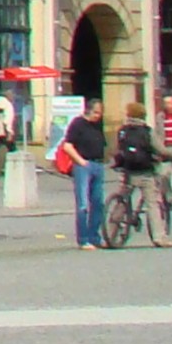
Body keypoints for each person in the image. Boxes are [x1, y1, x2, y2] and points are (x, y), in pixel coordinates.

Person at [114, 103, 171, 245]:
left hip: (127, 172)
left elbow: (118, 150)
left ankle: (111, 232)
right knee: (152, 204)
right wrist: (170, 155)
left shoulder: (122, 131)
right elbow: (160, 150)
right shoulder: (147, 132)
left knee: (122, 201)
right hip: (145, 172)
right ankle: (159, 237)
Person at [61, 97, 109, 249]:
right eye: (95, 112)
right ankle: (83, 239)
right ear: (87, 110)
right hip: (84, 165)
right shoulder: (78, 124)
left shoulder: (98, 125)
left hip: (98, 164)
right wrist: (81, 161)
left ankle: (94, 236)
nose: (98, 116)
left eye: (100, 113)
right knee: (83, 204)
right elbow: (67, 146)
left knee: (98, 203)